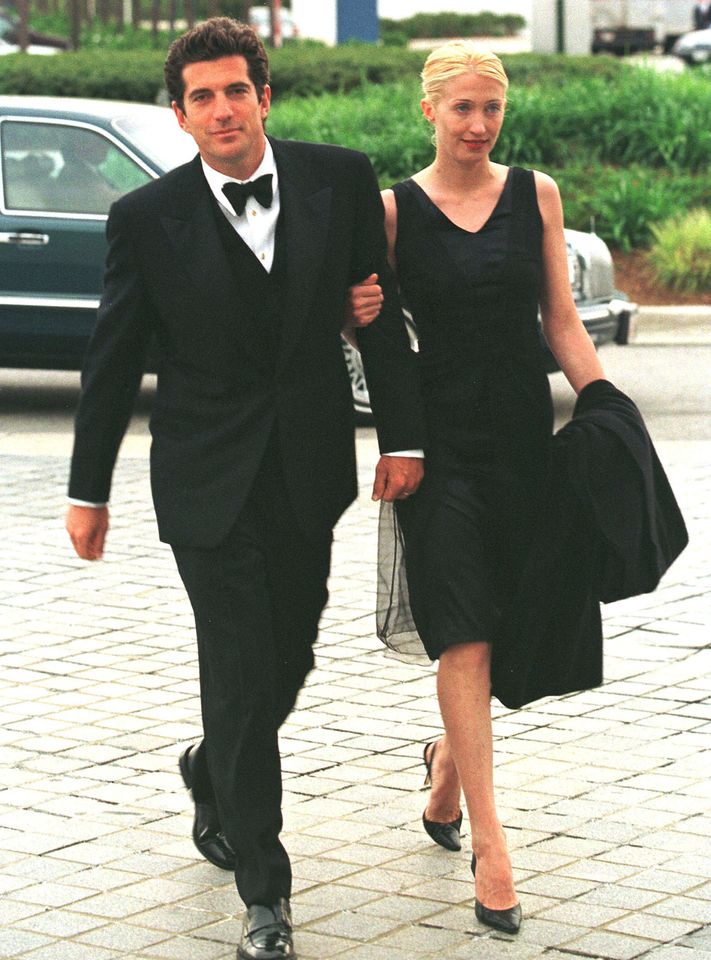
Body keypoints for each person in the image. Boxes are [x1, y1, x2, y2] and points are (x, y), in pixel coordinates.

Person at [65, 18, 425, 960]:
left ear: (264, 96)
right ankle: (265, 897)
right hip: (205, 482)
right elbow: (112, 361)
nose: (221, 109)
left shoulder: (337, 178)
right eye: (201, 97)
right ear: (179, 116)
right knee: (235, 671)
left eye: (236, 90)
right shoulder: (144, 219)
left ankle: (210, 768)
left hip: (307, 473)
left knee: (286, 662)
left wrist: (406, 437)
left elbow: (374, 312)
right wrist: (86, 489)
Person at [347, 40, 611, 936]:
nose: (477, 125)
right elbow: (371, 338)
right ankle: (492, 847)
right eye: (460, 108)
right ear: (429, 111)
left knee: (503, 619)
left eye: (490, 109)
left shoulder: (534, 192)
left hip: (519, 442)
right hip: (437, 452)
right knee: (461, 629)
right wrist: (358, 319)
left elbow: (559, 319)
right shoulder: (390, 211)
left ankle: (446, 768)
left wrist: (605, 403)